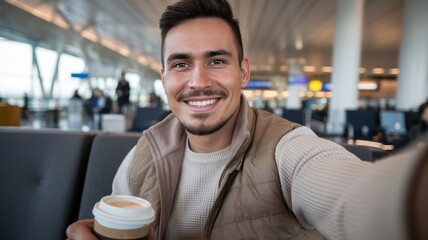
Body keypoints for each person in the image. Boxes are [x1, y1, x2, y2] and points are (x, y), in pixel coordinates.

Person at [67, 0, 428, 239]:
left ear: (243, 73)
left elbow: (352, 196)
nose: (198, 81)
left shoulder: (287, 149)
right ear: (164, 78)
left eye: (217, 61)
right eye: (180, 64)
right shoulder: (144, 154)